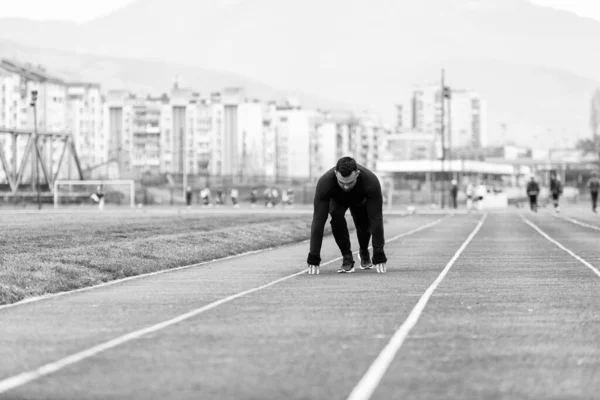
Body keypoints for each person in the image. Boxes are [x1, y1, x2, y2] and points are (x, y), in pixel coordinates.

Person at [306, 157, 387, 275]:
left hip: (360, 200)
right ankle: (347, 257)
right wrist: (314, 256)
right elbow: (318, 220)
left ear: (357, 174)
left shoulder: (371, 181)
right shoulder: (325, 182)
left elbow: (376, 219)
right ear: (335, 174)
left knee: (364, 226)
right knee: (335, 216)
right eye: (341, 183)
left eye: (350, 182)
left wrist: (379, 254)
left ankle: (364, 251)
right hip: (338, 201)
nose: (346, 187)